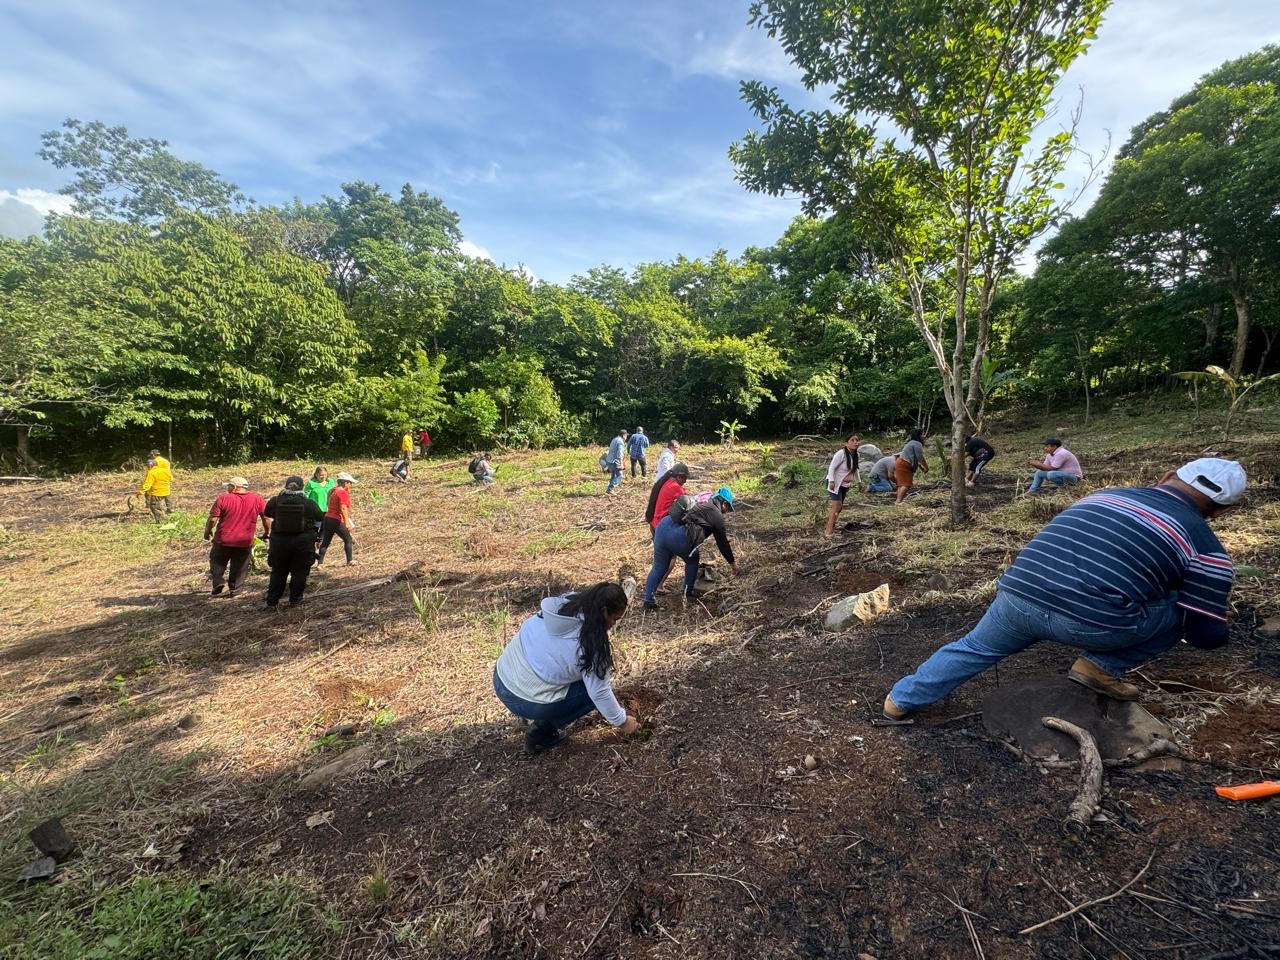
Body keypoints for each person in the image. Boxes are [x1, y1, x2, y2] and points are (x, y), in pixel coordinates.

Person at [883, 458, 1246, 719]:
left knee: (974, 647)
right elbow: (1205, 634)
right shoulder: (1207, 549)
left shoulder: (1104, 497)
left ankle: (901, 700)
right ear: (1222, 513)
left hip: (1018, 596)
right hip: (1090, 624)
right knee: (1183, 609)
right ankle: (1100, 666)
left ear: (1167, 476)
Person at [493, 582, 642, 753]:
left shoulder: (561, 607)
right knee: (589, 691)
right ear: (604, 611)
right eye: (614, 619)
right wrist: (623, 722)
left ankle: (529, 714)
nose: (614, 624)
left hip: (501, 677)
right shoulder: (590, 645)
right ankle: (542, 733)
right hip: (524, 700)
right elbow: (599, 692)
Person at [643, 486, 738, 609]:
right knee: (693, 558)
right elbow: (723, 544)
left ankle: (648, 599)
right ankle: (688, 592)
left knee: (659, 566)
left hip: (663, 526)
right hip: (678, 536)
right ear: (724, 503)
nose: (726, 512)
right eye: (727, 508)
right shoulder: (716, 515)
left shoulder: (703, 498)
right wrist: (733, 565)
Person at [263, 475, 326, 609]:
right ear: (302, 487)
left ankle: (272, 602)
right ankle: (295, 601)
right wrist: (317, 534)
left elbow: (267, 514)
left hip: (279, 542)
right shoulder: (308, 503)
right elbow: (321, 518)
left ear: (285, 486)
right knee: (300, 572)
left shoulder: (275, 501)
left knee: (278, 572)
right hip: (303, 542)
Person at [203, 476, 268, 598]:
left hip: (223, 539)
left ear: (234, 487)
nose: (227, 488)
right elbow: (266, 518)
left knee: (217, 561)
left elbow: (213, 519)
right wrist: (267, 532)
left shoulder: (223, 499)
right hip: (244, 541)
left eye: (229, 486)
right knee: (240, 566)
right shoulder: (257, 499)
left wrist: (207, 531)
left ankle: (218, 582)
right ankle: (235, 589)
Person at [824, 433, 862, 537]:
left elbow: (855, 469)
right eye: (852, 440)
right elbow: (832, 468)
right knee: (837, 506)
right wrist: (831, 481)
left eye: (857, 440)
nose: (855, 442)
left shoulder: (856, 455)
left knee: (839, 508)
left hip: (845, 485)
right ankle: (829, 531)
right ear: (846, 443)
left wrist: (859, 482)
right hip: (835, 483)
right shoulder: (841, 454)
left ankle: (832, 527)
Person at [317, 472, 357, 566]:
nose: (351, 485)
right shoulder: (342, 492)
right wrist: (347, 523)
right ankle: (349, 560)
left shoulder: (332, 490)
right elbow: (343, 507)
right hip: (336, 519)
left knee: (326, 541)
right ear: (345, 483)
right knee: (348, 539)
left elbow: (328, 503)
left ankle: (320, 563)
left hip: (328, 518)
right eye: (350, 483)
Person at [894, 429, 929, 505]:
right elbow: (920, 457)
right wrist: (926, 467)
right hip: (904, 464)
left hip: (899, 462)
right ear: (918, 435)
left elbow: (915, 458)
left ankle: (898, 501)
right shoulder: (917, 444)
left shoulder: (911, 443)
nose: (924, 436)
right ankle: (898, 501)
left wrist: (919, 467)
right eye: (922, 434)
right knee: (906, 484)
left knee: (901, 484)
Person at [137, 449, 173, 523]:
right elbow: (171, 478)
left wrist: (140, 492)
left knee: (154, 506)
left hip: (156, 491)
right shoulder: (165, 467)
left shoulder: (152, 472)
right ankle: (169, 510)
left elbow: (147, 485)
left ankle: (161, 521)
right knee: (165, 502)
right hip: (166, 489)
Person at [303, 467, 334, 538]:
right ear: (316, 474)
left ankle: (320, 541)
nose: (323, 477)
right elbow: (305, 497)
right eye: (321, 475)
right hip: (316, 510)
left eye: (325, 475)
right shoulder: (311, 484)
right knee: (315, 528)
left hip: (328, 509)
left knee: (325, 528)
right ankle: (312, 541)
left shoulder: (331, 482)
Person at [605, 430, 626, 495]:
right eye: (626, 435)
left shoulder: (614, 439)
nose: (626, 437)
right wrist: (621, 464)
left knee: (613, 475)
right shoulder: (620, 442)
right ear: (623, 435)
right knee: (620, 475)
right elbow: (620, 454)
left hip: (609, 460)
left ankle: (610, 489)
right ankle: (610, 489)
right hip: (615, 461)